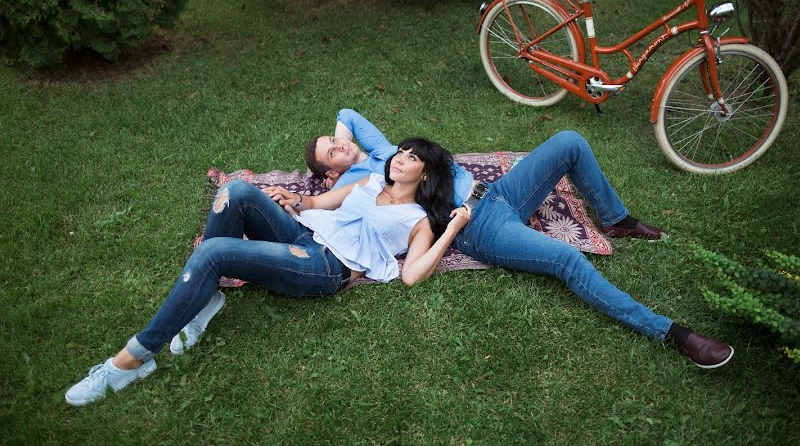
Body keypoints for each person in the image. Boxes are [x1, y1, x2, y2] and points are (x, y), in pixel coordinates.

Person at [295, 109, 734, 369]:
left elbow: (349, 116)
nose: (342, 146)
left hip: (500, 192)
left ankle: (615, 218)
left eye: (338, 142)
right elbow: (324, 202)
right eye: (332, 152)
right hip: (480, 228)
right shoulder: (366, 179)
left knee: (569, 141)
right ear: (332, 171)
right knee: (568, 261)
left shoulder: (386, 152)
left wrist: (345, 141)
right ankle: (671, 332)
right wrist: (309, 192)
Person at [65, 138, 471, 406]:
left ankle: (132, 360)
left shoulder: (418, 219)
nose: (400, 158)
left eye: (412, 158)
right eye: (401, 152)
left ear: (427, 173)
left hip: (325, 266)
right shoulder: (365, 183)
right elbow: (315, 204)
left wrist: (452, 227)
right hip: (303, 233)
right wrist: (292, 199)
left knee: (214, 253)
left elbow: (412, 275)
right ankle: (205, 300)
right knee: (237, 192)